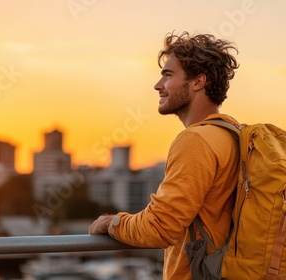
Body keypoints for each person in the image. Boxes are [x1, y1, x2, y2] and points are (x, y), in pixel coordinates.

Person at [88, 31, 240, 279]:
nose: (158, 85)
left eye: (168, 75)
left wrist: (111, 222)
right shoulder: (235, 135)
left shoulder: (196, 140)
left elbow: (159, 228)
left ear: (198, 82)